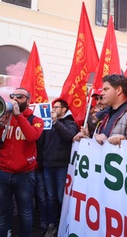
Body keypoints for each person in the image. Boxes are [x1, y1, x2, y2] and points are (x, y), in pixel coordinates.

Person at [0, 88, 44, 237]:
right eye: (12, 96)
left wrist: (18, 116)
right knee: (0, 215)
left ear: (28, 101)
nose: (15, 99)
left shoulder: (36, 120)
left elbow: (32, 137)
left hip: (24, 175)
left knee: (25, 213)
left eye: (20, 96)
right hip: (2, 174)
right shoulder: (3, 117)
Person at [40, 99, 79, 237]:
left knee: (61, 197)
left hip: (62, 166)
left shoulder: (71, 123)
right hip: (48, 165)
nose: (54, 109)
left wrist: (56, 122)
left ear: (64, 109)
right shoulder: (49, 123)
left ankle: (64, 223)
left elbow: (69, 136)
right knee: (50, 197)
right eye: (53, 107)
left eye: (56, 107)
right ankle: (52, 224)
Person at [93, 74, 127, 145]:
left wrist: (107, 142)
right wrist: (85, 139)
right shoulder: (106, 115)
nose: (101, 93)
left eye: (106, 89)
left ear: (118, 90)